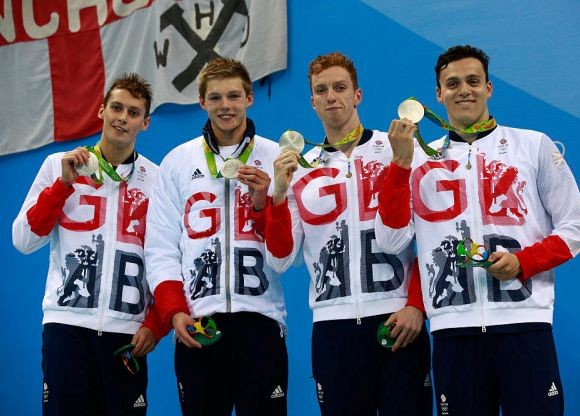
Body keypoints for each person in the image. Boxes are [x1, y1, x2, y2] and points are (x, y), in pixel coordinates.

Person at [375, 44, 580, 416]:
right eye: (453, 83)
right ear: (438, 94)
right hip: (452, 332)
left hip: (524, 324)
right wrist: (398, 164)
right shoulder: (417, 160)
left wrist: (524, 261)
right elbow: (392, 240)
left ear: (489, 88)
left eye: (473, 81)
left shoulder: (532, 145)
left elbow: (578, 227)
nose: (465, 90)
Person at [265, 52, 432, 416]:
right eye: (321, 90)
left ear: (358, 95)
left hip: (397, 320)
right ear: (312, 101)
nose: (331, 97)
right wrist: (277, 196)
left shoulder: (399, 149)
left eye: (340, 88)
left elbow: (433, 236)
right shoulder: (302, 168)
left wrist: (417, 305)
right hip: (333, 326)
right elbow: (279, 259)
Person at [12, 73, 169, 415]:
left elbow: (169, 257)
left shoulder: (158, 179)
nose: (122, 118)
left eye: (133, 112)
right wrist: (63, 186)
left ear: (146, 123)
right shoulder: (60, 165)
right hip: (66, 328)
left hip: (127, 336)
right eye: (116, 108)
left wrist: (156, 323)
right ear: (101, 111)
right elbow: (23, 239)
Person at [144, 57, 288, 416]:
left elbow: (288, 252)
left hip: (261, 320)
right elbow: (160, 249)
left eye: (234, 96)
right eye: (216, 97)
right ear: (202, 102)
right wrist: (175, 313)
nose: (226, 105)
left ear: (250, 98)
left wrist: (263, 205)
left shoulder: (276, 158)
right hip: (198, 323)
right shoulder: (177, 162)